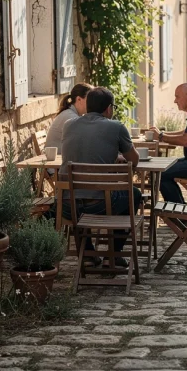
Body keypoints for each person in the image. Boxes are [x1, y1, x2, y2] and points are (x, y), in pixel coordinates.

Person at [59, 87, 142, 262]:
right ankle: (114, 254)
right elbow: (133, 160)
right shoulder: (116, 127)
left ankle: (88, 253)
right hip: (101, 204)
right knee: (134, 195)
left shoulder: (68, 125)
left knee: (80, 197)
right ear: (108, 108)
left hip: (67, 205)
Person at [46, 82, 93, 154]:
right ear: (79, 99)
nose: (92, 103)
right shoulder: (70, 116)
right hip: (57, 160)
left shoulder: (73, 114)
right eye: (89, 99)